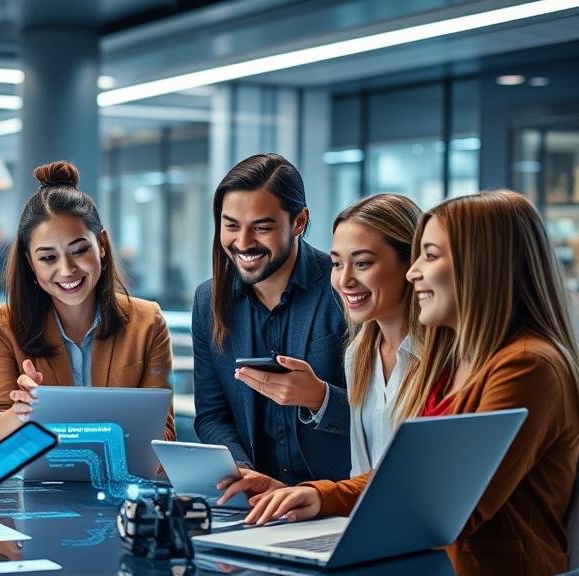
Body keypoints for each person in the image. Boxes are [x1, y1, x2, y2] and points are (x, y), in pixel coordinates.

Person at [244, 190, 579, 576]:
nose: (414, 271)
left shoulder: (526, 364)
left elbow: (447, 503)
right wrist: (319, 495)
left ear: (482, 266)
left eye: (430, 256)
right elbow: (410, 478)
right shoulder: (476, 360)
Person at [0, 160, 175, 446]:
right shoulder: (3, 324)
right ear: (30, 263)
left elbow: (165, 434)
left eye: (79, 250)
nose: (67, 269)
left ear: (103, 246)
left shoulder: (148, 321)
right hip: (37, 488)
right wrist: (20, 414)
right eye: (48, 258)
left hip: (124, 484)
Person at [193, 153, 349, 507]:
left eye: (261, 227)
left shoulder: (342, 286)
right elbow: (212, 414)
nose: (243, 242)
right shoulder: (208, 300)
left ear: (299, 222)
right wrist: (243, 470)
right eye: (230, 225)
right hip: (257, 504)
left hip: (335, 502)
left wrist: (320, 398)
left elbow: (385, 412)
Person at [330, 194, 422, 475]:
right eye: (336, 264)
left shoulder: (447, 356)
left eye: (362, 263)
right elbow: (360, 474)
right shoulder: (357, 355)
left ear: (410, 263)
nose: (344, 280)